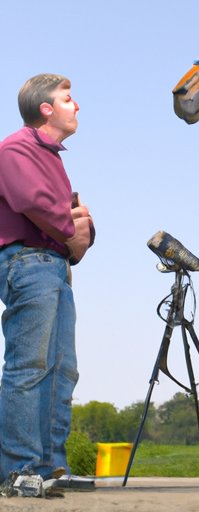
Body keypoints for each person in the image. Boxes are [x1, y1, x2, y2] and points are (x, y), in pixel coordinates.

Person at [0, 74, 94, 491]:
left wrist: (79, 232)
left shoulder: (53, 158)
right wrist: (71, 228)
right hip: (27, 261)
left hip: (53, 264)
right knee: (29, 365)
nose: (77, 107)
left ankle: (51, 467)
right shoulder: (16, 148)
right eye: (69, 99)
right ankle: (18, 471)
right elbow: (36, 204)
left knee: (62, 369)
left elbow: (77, 219)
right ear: (46, 109)